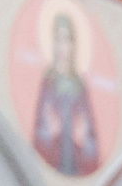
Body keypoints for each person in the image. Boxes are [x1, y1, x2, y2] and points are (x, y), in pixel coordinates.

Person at [30, 10, 101, 176]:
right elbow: (39, 129)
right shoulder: (48, 83)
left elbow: (91, 140)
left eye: (67, 40)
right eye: (59, 39)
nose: (63, 46)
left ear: (73, 44)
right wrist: (50, 131)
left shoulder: (80, 88)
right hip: (53, 154)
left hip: (75, 160)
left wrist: (82, 138)